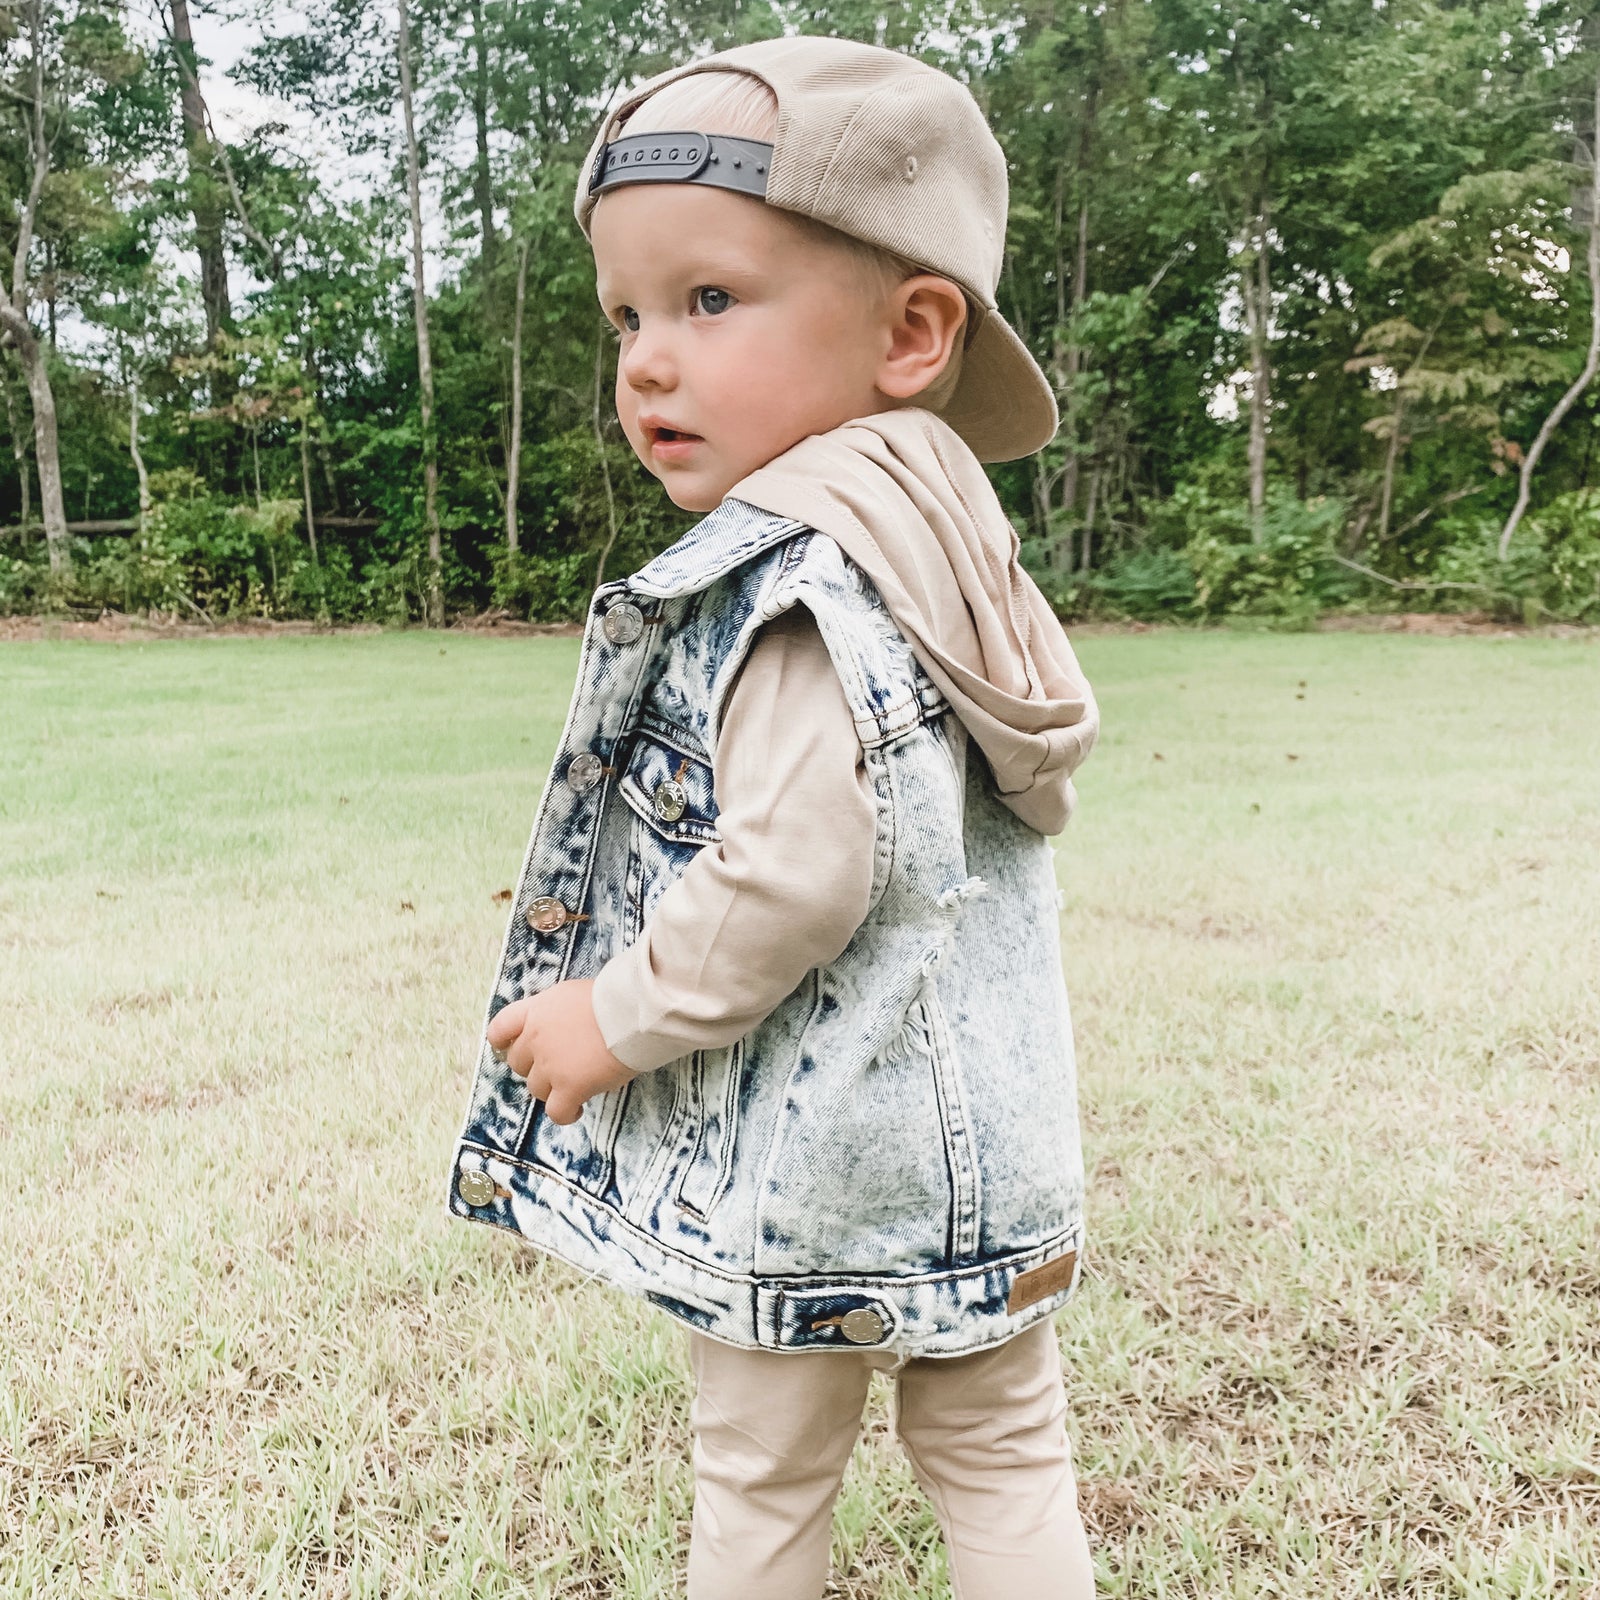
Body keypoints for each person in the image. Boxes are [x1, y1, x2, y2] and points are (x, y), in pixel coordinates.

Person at [448, 36, 1101, 1600]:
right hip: (987, 1162)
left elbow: (794, 874)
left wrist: (614, 1011)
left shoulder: (799, 587)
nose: (647, 362)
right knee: (1008, 1457)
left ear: (913, 330)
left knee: (758, 1482)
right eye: (626, 315)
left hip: (808, 1173)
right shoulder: (945, 539)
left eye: (708, 301)